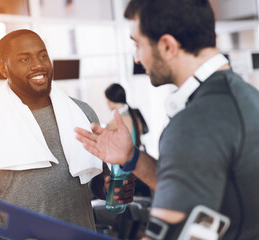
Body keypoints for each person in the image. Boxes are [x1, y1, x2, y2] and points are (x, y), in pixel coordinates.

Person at [75, 0, 259, 239]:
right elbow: (191, 191)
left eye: (138, 45)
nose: (138, 59)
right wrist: (133, 158)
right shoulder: (245, 96)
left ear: (168, 46)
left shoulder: (194, 123)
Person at [0, 29, 135, 240]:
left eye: (43, 55)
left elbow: (98, 178)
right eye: (24, 59)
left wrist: (111, 186)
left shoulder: (82, 113)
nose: (38, 64)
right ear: (3, 69)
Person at [104, 83, 151, 197]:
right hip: (135, 165)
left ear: (111, 99)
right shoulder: (132, 114)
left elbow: (101, 135)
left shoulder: (120, 119)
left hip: (126, 169)